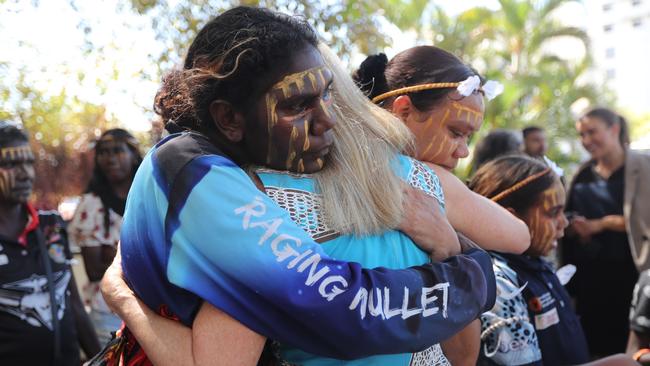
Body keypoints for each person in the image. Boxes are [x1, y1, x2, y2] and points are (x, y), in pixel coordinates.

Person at [90, 7, 503, 365]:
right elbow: (347, 307)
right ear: (229, 119)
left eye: (326, 95)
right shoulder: (201, 176)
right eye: (297, 105)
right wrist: (473, 271)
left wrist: (454, 249)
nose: (328, 120)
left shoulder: (188, 161)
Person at [354, 46, 522, 365]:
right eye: (456, 133)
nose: (463, 152)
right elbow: (519, 236)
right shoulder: (427, 179)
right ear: (402, 111)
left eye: (469, 139)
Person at [470, 155, 636, 366]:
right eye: (553, 213)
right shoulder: (498, 285)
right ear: (509, 217)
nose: (564, 222)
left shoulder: (534, 263)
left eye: (564, 212)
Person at [0, 121, 100, 364]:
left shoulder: (51, 227)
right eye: (12, 164)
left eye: (28, 162)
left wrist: (102, 359)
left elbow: (73, 304)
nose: (25, 174)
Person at [561, 107, 647, 356]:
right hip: (593, 286)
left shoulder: (644, 166)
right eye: (582, 135)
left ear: (614, 129)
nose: (587, 141)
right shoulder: (582, 176)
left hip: (634, 280)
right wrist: (577, 229)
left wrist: (604, 223)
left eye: (592, 132)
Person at [67, 128, 141, 345]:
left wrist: (114, 254)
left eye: (117, 150)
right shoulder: (90, 205)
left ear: (133, 154)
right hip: (107, 313)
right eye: (103, 152)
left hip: (151, 310)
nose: (109, 158)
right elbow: (93, 270)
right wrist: (137, 256)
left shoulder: (148, 198)